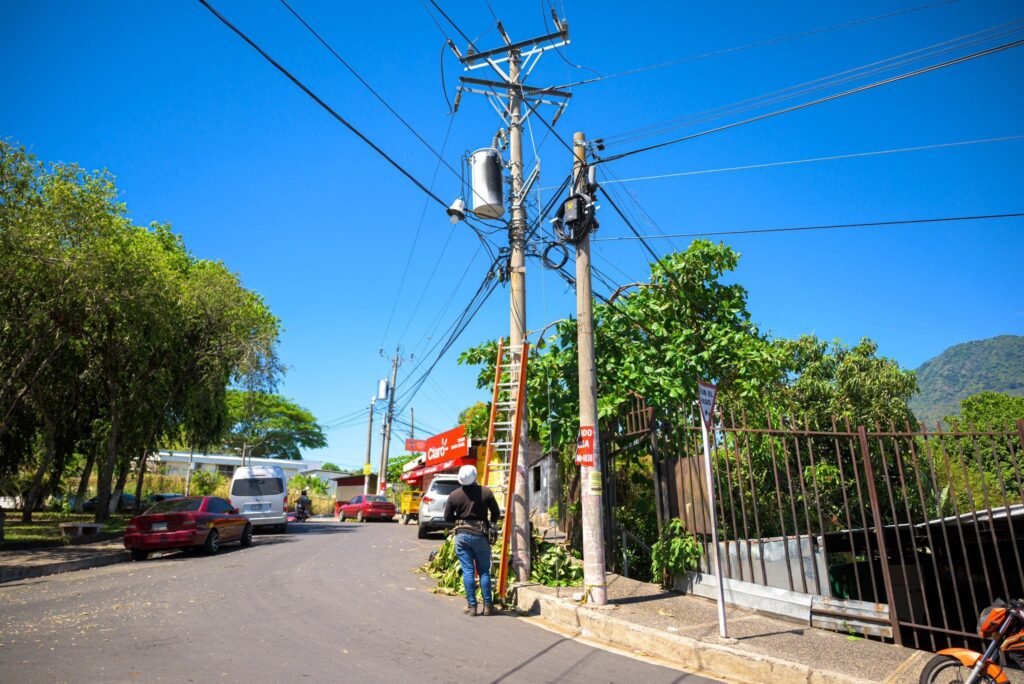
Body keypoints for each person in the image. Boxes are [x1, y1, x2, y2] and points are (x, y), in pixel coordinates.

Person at [444, 464, 501, 616]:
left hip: (462, 536)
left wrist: (460, 520)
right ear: (475, 477)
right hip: (481, 535)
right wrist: (492, 525)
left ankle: (472, 607)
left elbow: (447, 518)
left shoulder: (454, 495)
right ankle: (488, 606)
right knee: (484, 572)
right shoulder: (486, 492)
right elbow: (495, 513)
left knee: (468, 571)